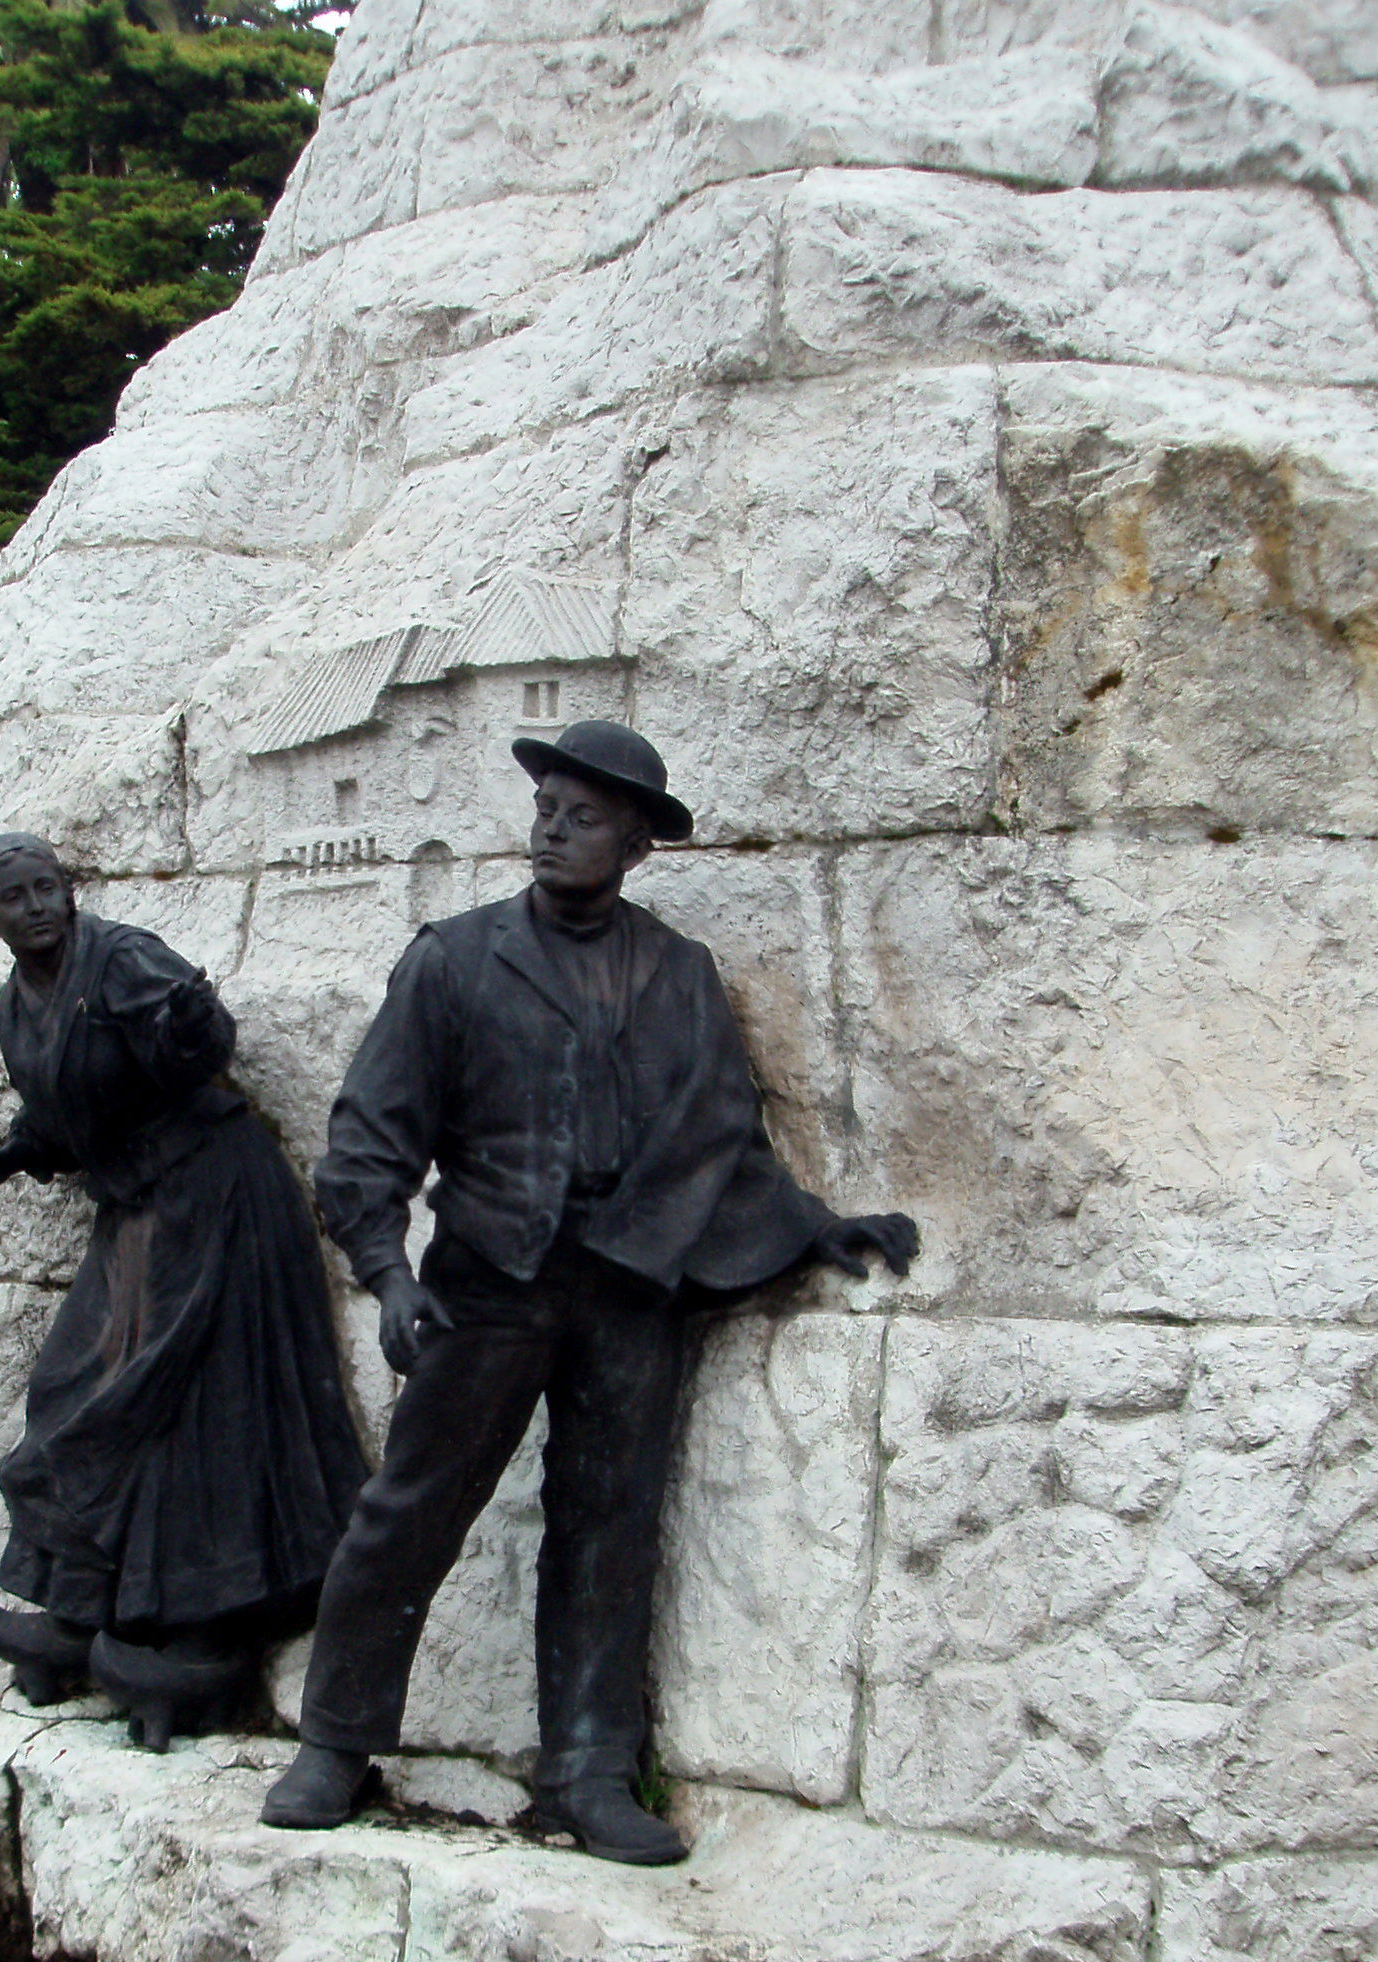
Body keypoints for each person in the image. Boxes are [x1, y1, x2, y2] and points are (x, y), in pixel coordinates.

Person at [263, 720, 918, 1863]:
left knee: (610, 1530)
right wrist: (388, 1276)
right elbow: (368, 1136)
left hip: (629, 1287)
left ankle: (588, 1770)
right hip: (488, 1285)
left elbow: (723, 1133)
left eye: (583, 816)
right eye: (546, 809)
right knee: (410, 1511)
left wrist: (817, 1227)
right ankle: (336, 1742)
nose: (552, 830)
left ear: (636, 845)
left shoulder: (678, 973)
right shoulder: (455, 959)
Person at [0, 833, 368, 1748]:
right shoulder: (14, 1006)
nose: (35, 906)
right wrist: (15, 1151)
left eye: (47, 888)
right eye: (13, 897)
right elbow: (68, 1107)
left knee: (190, 1411)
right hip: (136, 1211)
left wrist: (187, 1024)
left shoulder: (125, 957)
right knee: (73, 1392)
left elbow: (197, 1048)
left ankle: (200, 1618)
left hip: (212, 1194)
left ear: (71, 891)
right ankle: (82, 1601)